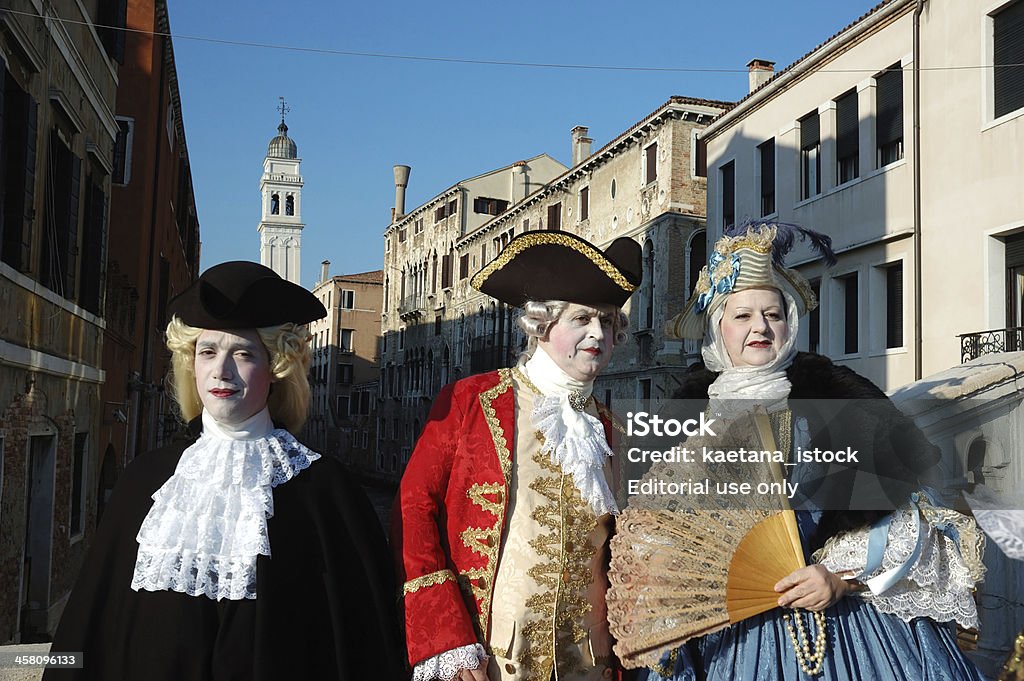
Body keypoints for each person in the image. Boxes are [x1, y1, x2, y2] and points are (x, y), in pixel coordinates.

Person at [641, 223, 986, 680]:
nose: (760, 327)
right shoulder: (683, 418)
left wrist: (838, 576)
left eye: (773, 314)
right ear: (717, 328)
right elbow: (661, 534)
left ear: (790, 323)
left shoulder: (841, 404)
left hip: (843, 625)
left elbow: (905, 517)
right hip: (725, 634)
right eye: (743, 316)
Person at [45, 261, 403, 681]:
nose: (221, 371)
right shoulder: (145, 480)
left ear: (276, 367)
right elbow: (90, 625)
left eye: (244, 353)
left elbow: (364, 643)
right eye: (208, 351)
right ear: (190, 362)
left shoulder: (326, 491)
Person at [392, 231, 643, 681]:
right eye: (582, 318)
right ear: (541, 324)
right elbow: (414, 509)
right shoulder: (472, 401)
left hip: (590, 665)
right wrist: (446, 639)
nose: (597, 334)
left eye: (607, 321)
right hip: (490, 659)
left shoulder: (612, 429)